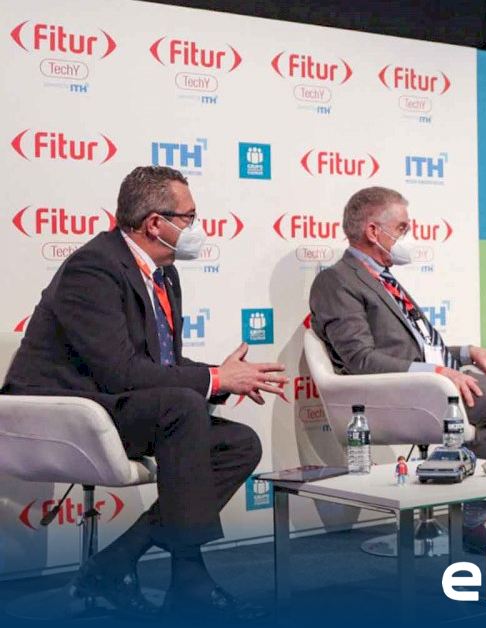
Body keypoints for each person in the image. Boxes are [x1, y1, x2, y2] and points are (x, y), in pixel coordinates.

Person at [1, 166, 286, 621]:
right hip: (60, 412)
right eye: (189, 217)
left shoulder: (163, 273)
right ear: (156, 223)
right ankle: (189, 582)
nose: (196, 227)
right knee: (182, 406)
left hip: (112, 404)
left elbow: (159, 364)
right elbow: (120, 371)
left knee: (238, 444)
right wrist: (216, 381)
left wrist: (224, 374)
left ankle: (115, 563)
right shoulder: (93, 268)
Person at [308, 186, 486, 554]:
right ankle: (474, 520)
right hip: (401, 392)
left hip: (430, 381)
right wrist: (436, 373)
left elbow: (419, 347)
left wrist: (466, 353)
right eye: (401, 228)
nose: (408, 237)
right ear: (373, 231)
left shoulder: (384, 278)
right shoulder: (337, 280)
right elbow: (360, 360)